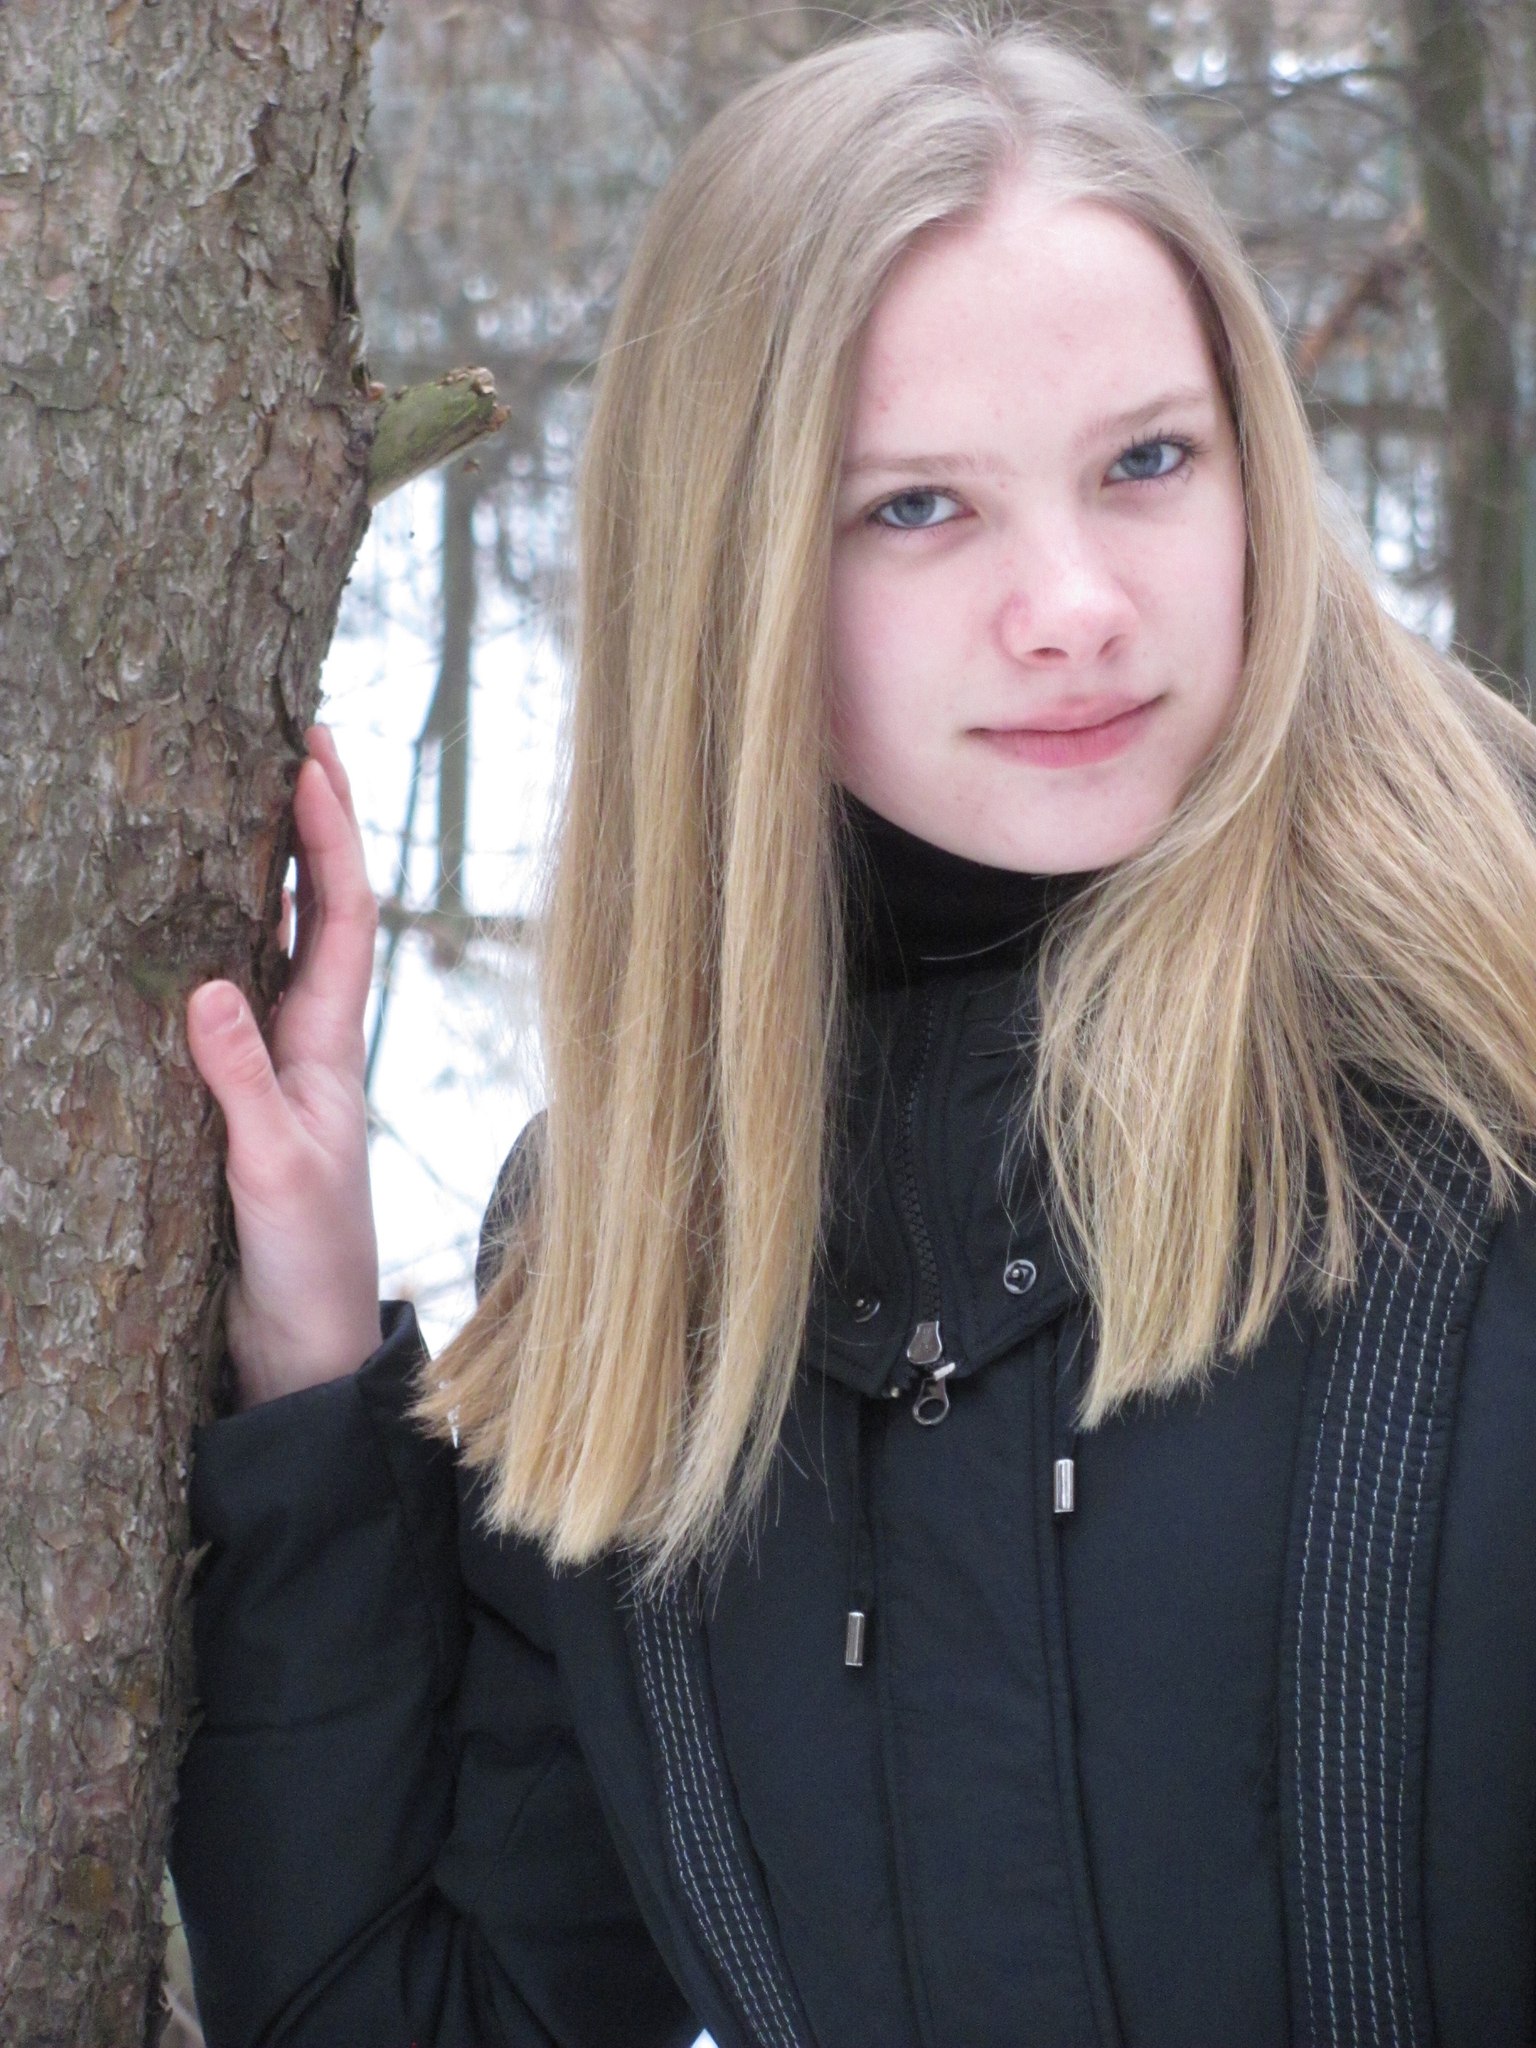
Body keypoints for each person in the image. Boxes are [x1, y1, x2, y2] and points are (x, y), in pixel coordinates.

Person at [172, 18, 1536, 2048]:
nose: (1074, 603)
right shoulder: (649, 1242)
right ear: (726, 576)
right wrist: (305, 1389)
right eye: (916, 508)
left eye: (1146, 461)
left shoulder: (1488, 1073)